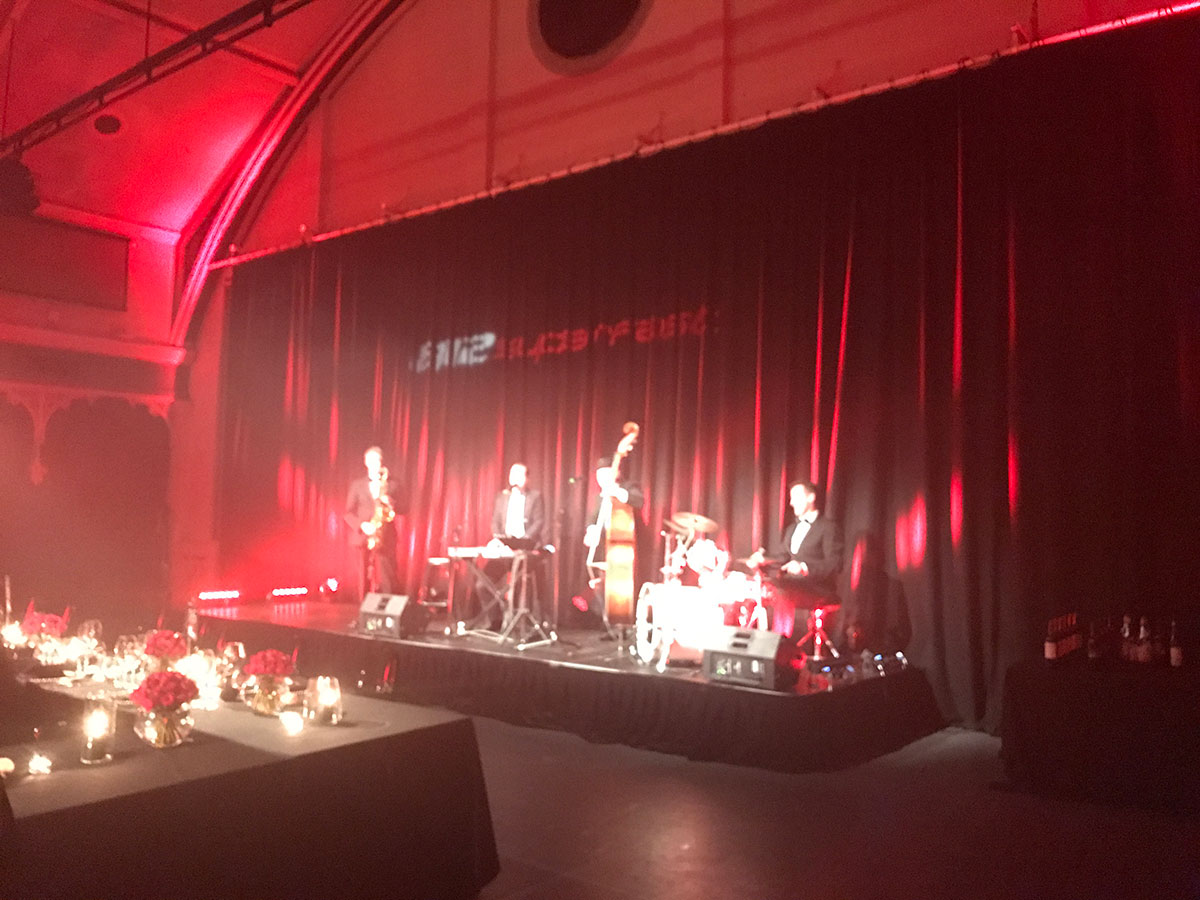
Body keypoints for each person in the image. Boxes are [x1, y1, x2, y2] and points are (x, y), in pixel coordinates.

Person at [750, 480, 844, 640]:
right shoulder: (792, 529)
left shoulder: (828, 528)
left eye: (796, 497)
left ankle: (778, 641)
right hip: (793, 584)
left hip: (818, 588)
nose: (791, 503)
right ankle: (754, 639)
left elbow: (835, 564)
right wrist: (763, 560)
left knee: (782, 590)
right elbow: (783, 557)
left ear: (811, 498)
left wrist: (804, 568)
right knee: (762, 587)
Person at [583, 455, 645, 627]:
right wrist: (591, 530)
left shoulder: (629, 487)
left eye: (605, 474)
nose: (601, 479)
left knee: (623, 587)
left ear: (616, 472)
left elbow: (638, 501)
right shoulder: (600, 496)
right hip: (607, 546)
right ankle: (608, 623)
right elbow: (593, 518)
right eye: (599, 475)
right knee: (603, 587)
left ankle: (625, 623)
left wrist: (616, 492)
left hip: (625, 547)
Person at [344, 446, 405, 596]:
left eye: (378, 461)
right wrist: (362, 525)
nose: (375, 464)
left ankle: (388, 606)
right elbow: (348, 513)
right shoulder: (357, 485)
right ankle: (362, 606)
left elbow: (406, 508)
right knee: (362, 577)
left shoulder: (393, 484)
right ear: (365, 462)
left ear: (382, 462)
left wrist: (392, 503)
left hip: (385, 535)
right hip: (363, 535)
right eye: (371, 461)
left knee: (388, 576)